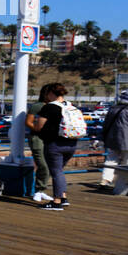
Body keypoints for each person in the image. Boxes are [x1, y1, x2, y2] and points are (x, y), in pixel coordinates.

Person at [27, 82, 77, 211]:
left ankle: (56, 202)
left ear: (50, 93)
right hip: (71, 143)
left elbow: (39, 127)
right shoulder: (71, 106)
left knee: (56, 172)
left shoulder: (49, 107)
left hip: (55, 144)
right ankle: (63, 197)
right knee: (59, 171)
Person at [99, 88, 128, 188]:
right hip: (127, 142)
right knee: (127, 162)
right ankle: (124, 182)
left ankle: (105, 180)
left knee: (111, 160)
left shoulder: (112, 109)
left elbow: (105, 125)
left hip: (112, 140)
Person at [24, 85, 53, 202]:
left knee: (49, 165)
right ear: (46, 94)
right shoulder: (37, 106)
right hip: (37, 138)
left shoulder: (54, 106)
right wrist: (39, 129)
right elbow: (28, 122)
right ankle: (38, 190)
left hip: (50, 139)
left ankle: (41, 190)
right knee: (43, 165)